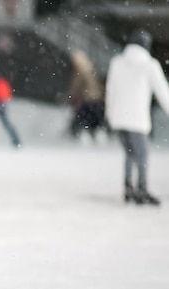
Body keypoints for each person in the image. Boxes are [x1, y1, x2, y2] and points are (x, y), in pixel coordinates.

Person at [105, 28, 169, 206]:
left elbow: (111, 90)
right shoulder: (149, 64)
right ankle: (142, 189)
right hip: (136, 118)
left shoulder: (117, 62)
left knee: (130, 153)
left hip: (119, 117)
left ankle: (128, 187)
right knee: (142, 155)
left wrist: (109, 114)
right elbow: (162, 91)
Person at [68, 49, 105, 141]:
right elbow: (97, 84)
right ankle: (97, 131)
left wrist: (73, 94)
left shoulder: (80, 72)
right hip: (96, 98)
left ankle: (85, 133)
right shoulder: (91, 70)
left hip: (86, 98)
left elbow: (77, 86)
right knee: (94, 116)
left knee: (83, 116)